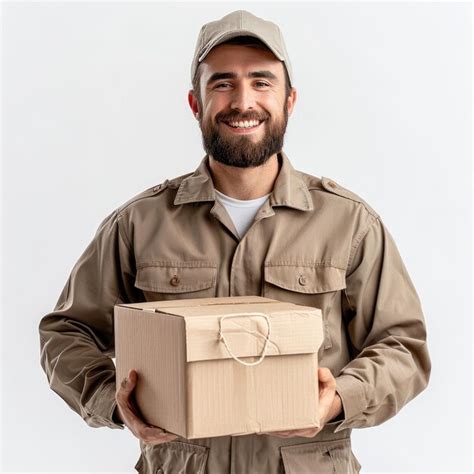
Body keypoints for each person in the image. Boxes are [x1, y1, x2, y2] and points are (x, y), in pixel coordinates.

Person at [39, 10, 431, 473]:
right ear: (195, 103)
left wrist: (339, 399)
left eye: (262, 82)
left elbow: (402, 345)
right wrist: (113, 401)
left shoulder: (349, 223)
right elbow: (66, 333)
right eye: (222, 83)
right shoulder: (139, 223)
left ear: (290, 100)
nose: (243, 102)